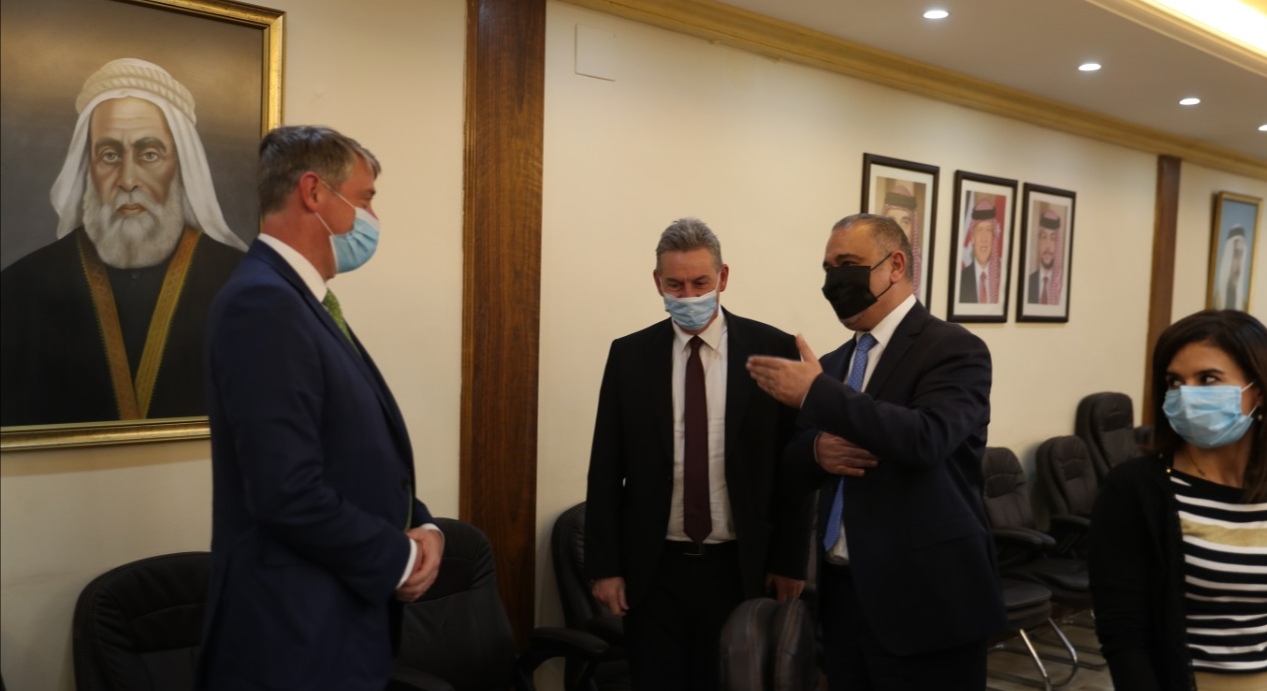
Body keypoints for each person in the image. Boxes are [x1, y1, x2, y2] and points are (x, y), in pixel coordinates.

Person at [198, 125, 444, 691]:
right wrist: (397, 558)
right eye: (364, 200)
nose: (371, 219)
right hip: (294, 637)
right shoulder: (263, 303)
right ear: (313, 192)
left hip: (332, 623)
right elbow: (285, 491)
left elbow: (351, 455)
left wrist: (421, 523)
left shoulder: (300, 300)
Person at [746, 213, 1007, 690]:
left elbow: (926, 438)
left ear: (896, 265)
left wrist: (817, 394)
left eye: (847, 263)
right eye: (828, 268)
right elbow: (792, 463)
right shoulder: (834, 364)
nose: (835, 280)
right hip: (844, 597)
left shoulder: (954, 349)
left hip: (928, 603)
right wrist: (817, 451)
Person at [584, 218, 810, 691]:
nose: (688, 296)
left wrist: (791, 562)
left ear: (723, 277)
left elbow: (794, 468)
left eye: (700, 283)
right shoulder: (629, 356)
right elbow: (605, 468)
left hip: (741, 566)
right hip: (655, 569)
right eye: (676, 285)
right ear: (657, 283)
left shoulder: (773, 350)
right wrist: (605, 567)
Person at [0, 58, 246, 426]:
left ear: (181, 166)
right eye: (110, 155)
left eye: (150, 154)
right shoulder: (19, 288)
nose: (128, 179)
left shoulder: (239, 282)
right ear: (88, 168)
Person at [1089, 310, 1266, 691]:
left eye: (1208, 379)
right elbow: (1124, 633)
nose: (1187, 395)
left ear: (1258, 390)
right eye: (1174, 382)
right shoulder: (1136, 488)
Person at [880, 182, 923, 296]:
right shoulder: (873, 262)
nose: (898, 229)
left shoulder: (919, 265)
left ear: (912, 227)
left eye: (905, 222)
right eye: (891, 221)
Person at [959, 198, 997, 304]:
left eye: (988, 230)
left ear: (994, 237)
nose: (984, 238)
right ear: (972, 238)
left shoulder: (1003, 280)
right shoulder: (960, 280)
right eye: (979, 230)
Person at [1027, 208, 1062, 305]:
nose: (1048, 245)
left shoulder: (1063, 286)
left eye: (1053, 239)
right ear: (1038, 242)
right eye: (1044, 237)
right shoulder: (1028, 282)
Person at [1214, 227, 1248, 310]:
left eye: (1240, 255)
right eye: (1235, 254)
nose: (1238, 265)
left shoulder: (1244, 306)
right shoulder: (1214, 302)